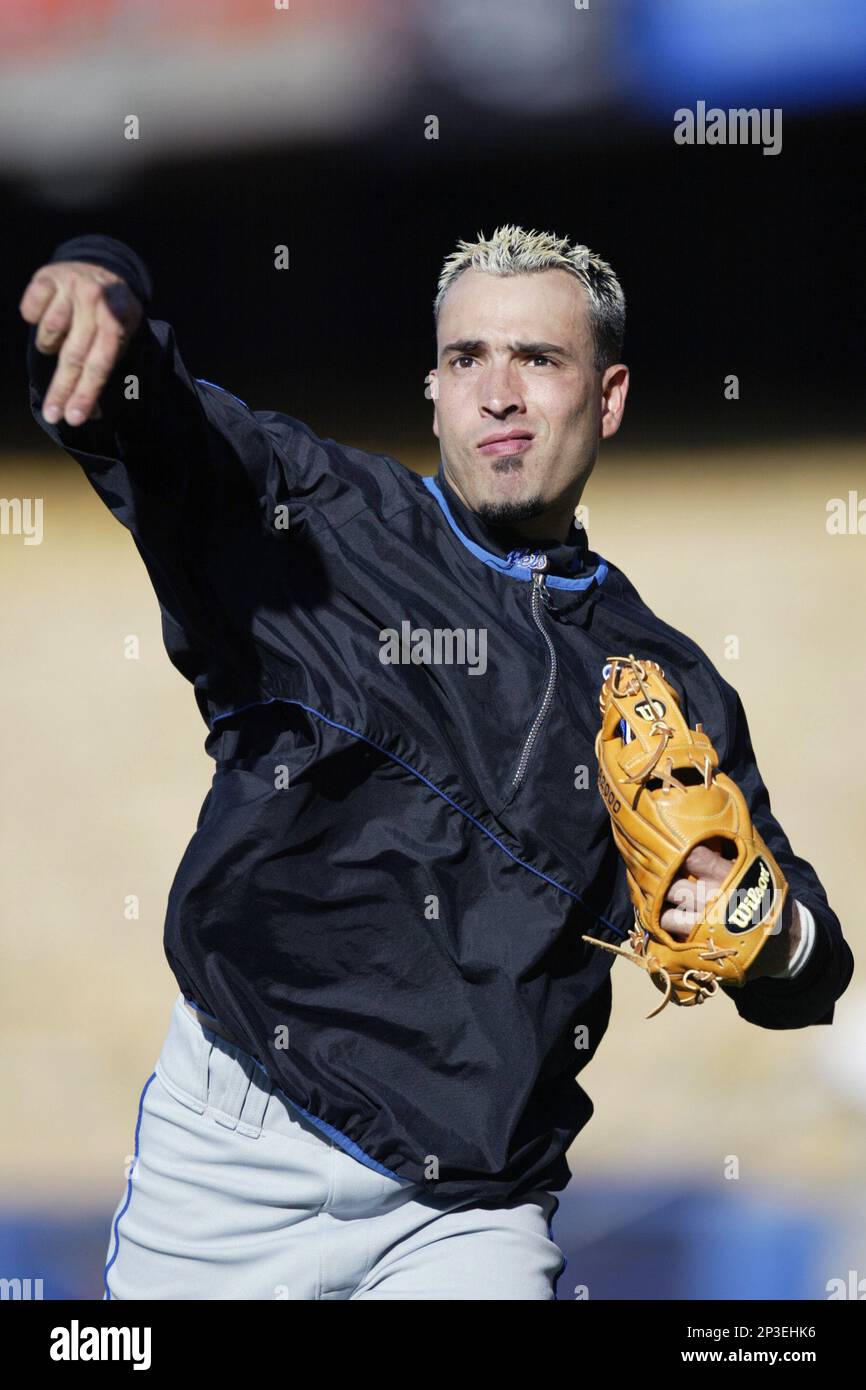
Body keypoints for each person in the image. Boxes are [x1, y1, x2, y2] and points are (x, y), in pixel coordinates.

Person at [20, 224, 853, 1301]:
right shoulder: (308, 523)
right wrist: (107, 286)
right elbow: (155, 419)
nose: (497, 393)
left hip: (465, 1218)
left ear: (606, 398)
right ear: (432, 390)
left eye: (538, 360)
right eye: (467, 359)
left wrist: (763, 929)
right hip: (226, 1164)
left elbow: (811, 967)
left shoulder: (665, 684)